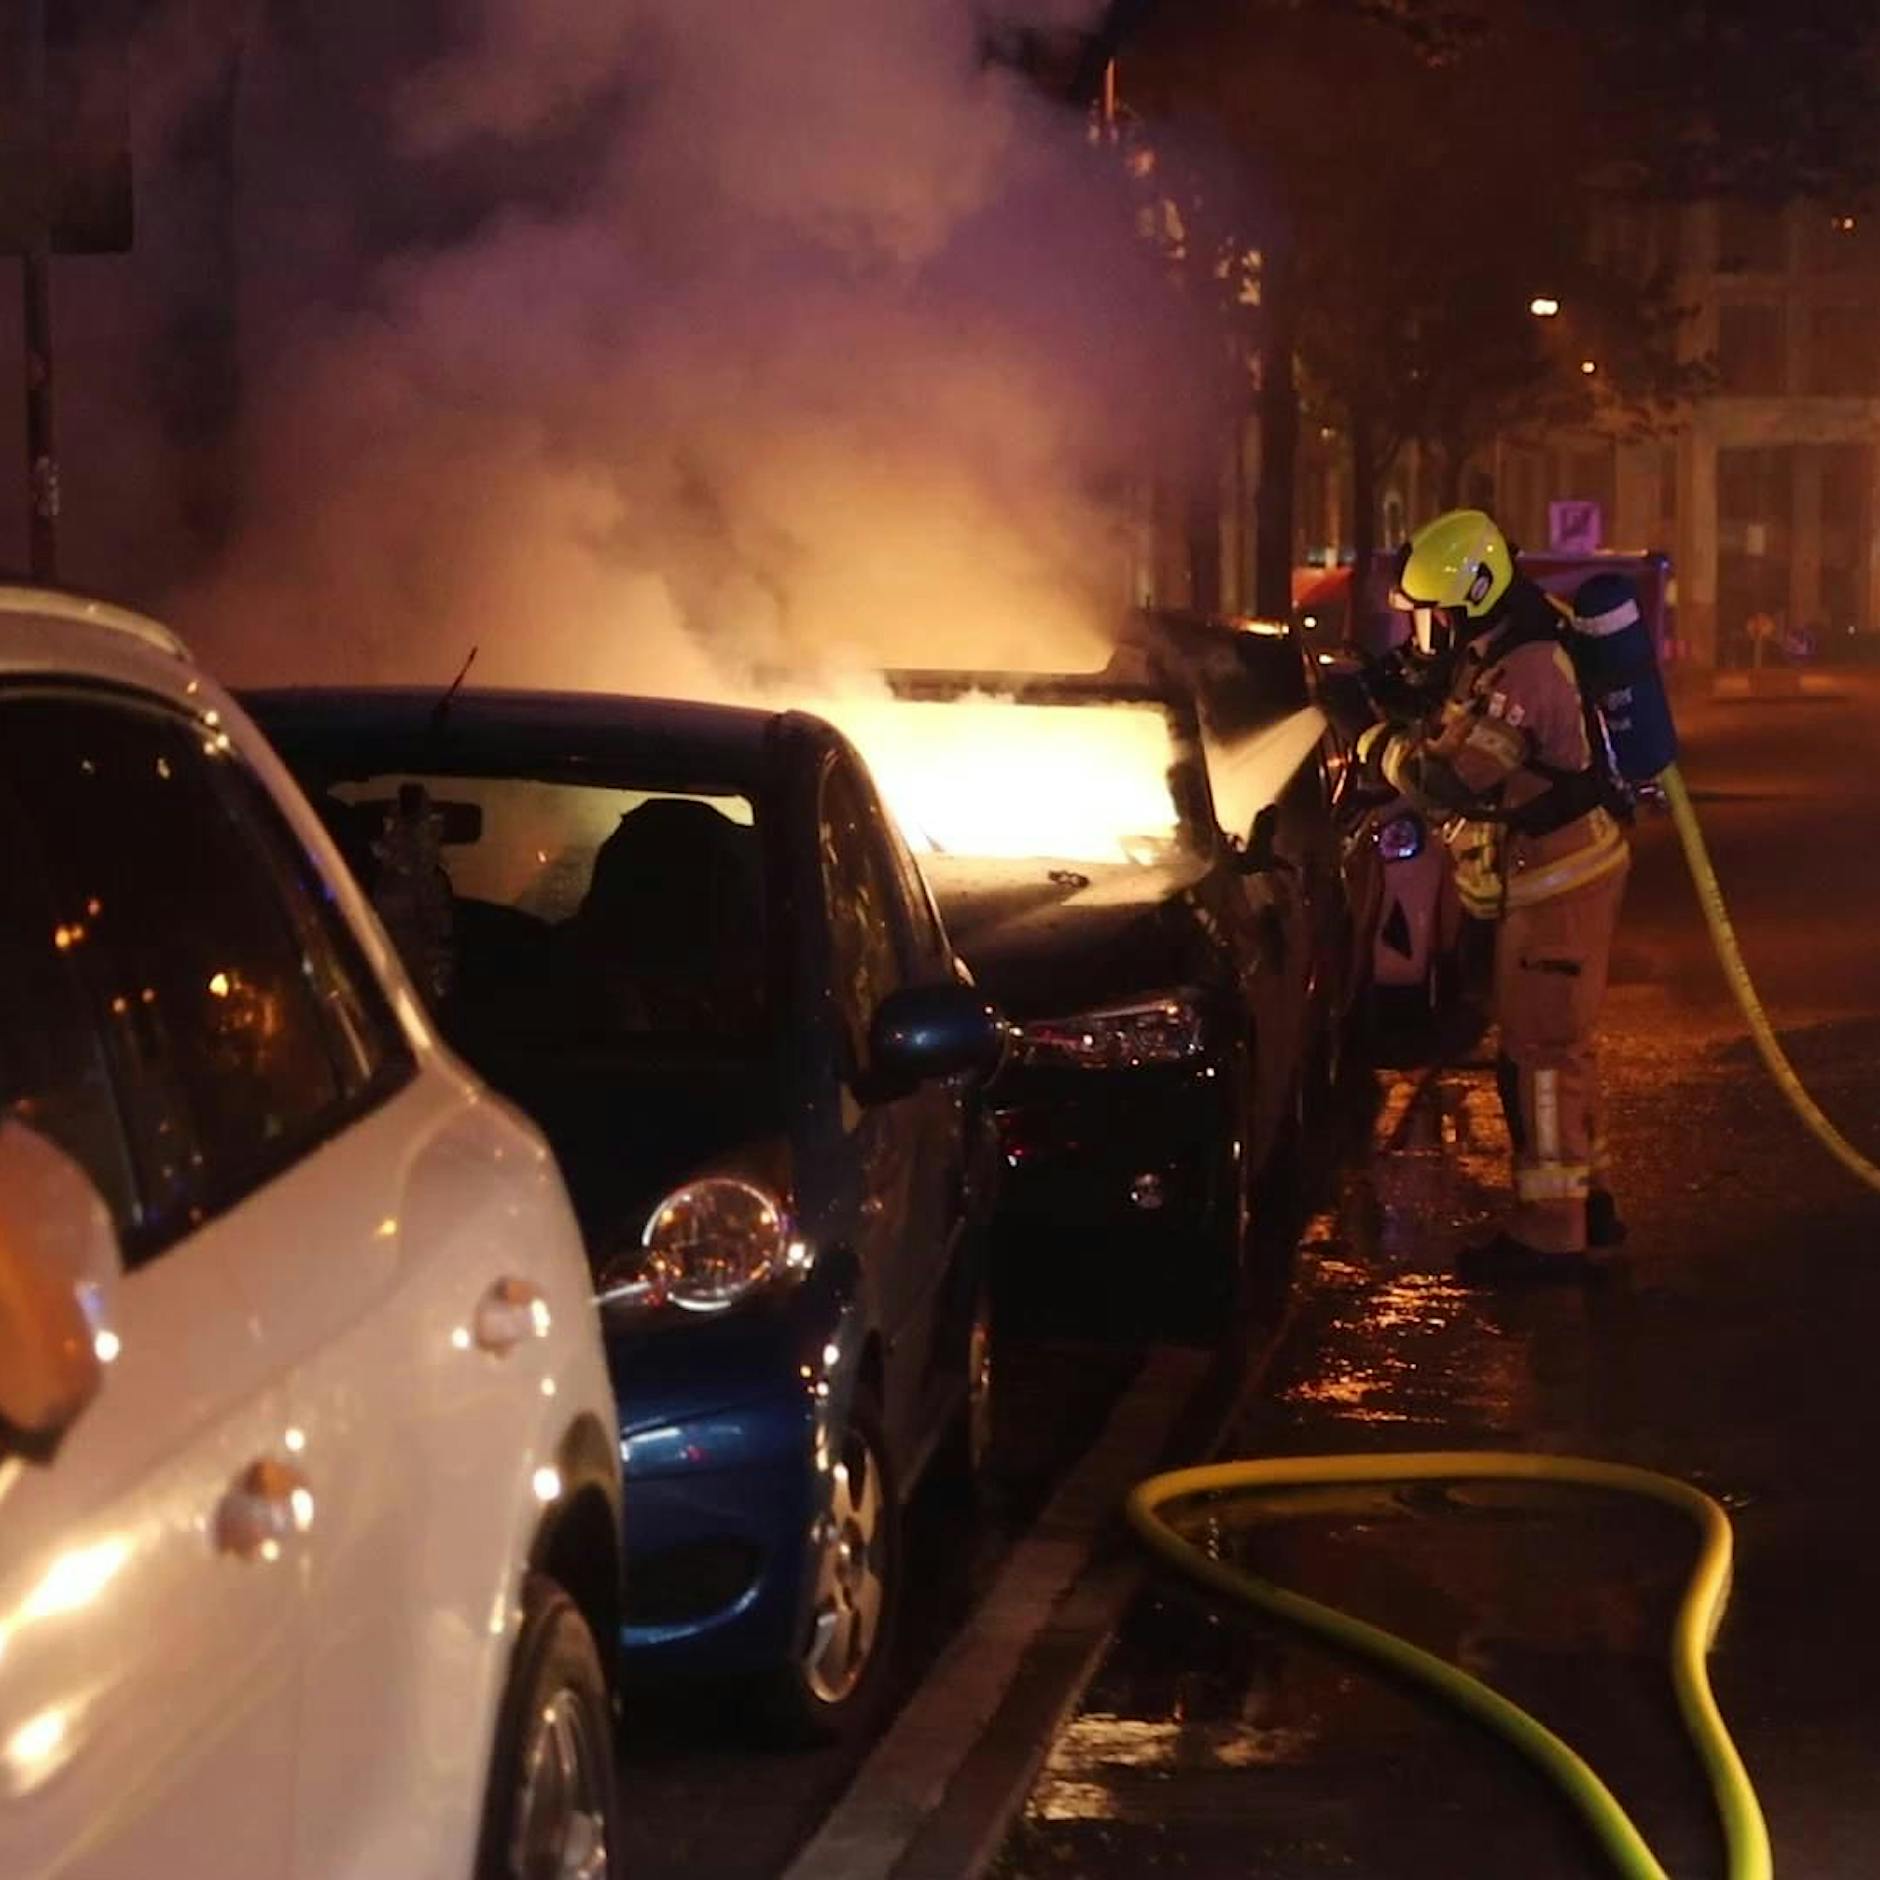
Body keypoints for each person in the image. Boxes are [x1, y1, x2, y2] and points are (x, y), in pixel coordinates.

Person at [1354, 510, 1630, 1283]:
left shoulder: (1527, 669)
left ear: (1470, 598)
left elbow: (1450, 777)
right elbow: (1462, 735)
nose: (1426, 625)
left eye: (1432, 610)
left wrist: (1377, 745)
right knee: (1560, 1051)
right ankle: (1590, 1203)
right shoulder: (1505, 647)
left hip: (1558, 884)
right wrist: (1409, 701)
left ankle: (1551, 1235)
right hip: (1551, 876)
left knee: (1540, 1058)